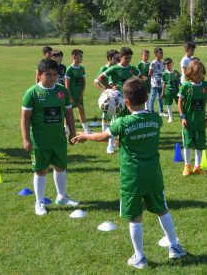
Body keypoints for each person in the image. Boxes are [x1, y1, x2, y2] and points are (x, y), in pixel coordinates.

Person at [71, 78, 187, 268]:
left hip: (132, 177)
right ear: (147, 97)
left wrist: (85, 136)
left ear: (125, 102)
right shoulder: (155, 118)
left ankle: (140, 257)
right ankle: (174, 246)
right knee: (162, 209)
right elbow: (142, 124)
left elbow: (102, 137)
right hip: (153, 174)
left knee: (135, 217)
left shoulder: (122, 123)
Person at [21, 58, 79, 215]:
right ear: (39, 74)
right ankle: (39, 201)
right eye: (48, 74)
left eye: (55, 74)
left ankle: (62, 196)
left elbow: (68, 113)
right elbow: (25, 117)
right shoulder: (32, 93)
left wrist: (73, 132)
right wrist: (26, 139)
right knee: (41, 170)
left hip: (58, 138)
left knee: (61, 167)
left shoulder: (61, 91)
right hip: (40, 140)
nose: (52, 77)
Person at [97, 47, 141, 154]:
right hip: (117, 100)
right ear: (120, 57)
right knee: (116, 122)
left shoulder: (132, 68)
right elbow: (100, 78)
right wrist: (108, 87)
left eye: (130, 58)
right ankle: (110, 146)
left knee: (130, 121)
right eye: (126, 58)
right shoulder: (114, 69)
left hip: (129, 99)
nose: (128, 60)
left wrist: (142, 81)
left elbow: (140, 76)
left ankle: (126, 143)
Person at [177, 59, 207, 176]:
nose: (200, 75)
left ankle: (197, 167)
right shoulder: (186, 86)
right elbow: (180, 102)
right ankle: (187, 166)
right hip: (188, 122)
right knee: (187, 144)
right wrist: (182, 117)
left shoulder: (206, 86)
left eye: (201, 72)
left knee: (200, 145)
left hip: (200, 122)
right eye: (197, 72)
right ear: (190, 73)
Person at [65, 49, 91, 133]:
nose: (81, 58)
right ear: (74, 56)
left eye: (82, 56)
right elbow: (67, 85)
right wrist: (70, 97)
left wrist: (81, 93)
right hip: (71, 95)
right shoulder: (69, 69)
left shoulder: (82, 68)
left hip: (79, 95)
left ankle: (86, 129)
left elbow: (84, 82)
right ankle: (66, 130)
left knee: (81, 110)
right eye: (80, 56)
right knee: (68, 113)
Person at [93, 49, 119, 131]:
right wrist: (105, 90)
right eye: (116, 58)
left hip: (116, 95)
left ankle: (113, 133)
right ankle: (104, 132)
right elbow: (96, 82)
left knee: (115, 114)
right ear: (109, 58)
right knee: (105, 114)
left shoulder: (116, 67)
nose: (117, 60)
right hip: (108, 97)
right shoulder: (104, 68)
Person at [161, 58, 181, 123]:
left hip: (177, 91)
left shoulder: (176, 72)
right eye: (166, 66)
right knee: (169, 104)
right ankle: (170, 117)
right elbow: (164, 83)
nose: (168, 67)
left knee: (180, 103)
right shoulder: (164, 74)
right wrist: (162, 92)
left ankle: (182, 116)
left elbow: (180, 81)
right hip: (168, 91)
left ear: (172, 64)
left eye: (169, 65)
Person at [147, 47, 165, 114]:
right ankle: (151, 111)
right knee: (153, 97)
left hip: (161, 82)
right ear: (156, 54)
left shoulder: (162, 62)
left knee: (160, 97)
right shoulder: (153, 63)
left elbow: (163, 71)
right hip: (155, 83)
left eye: (162, 52)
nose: (162, 54)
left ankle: (161, 111)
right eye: (160, 53)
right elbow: (150, 73)